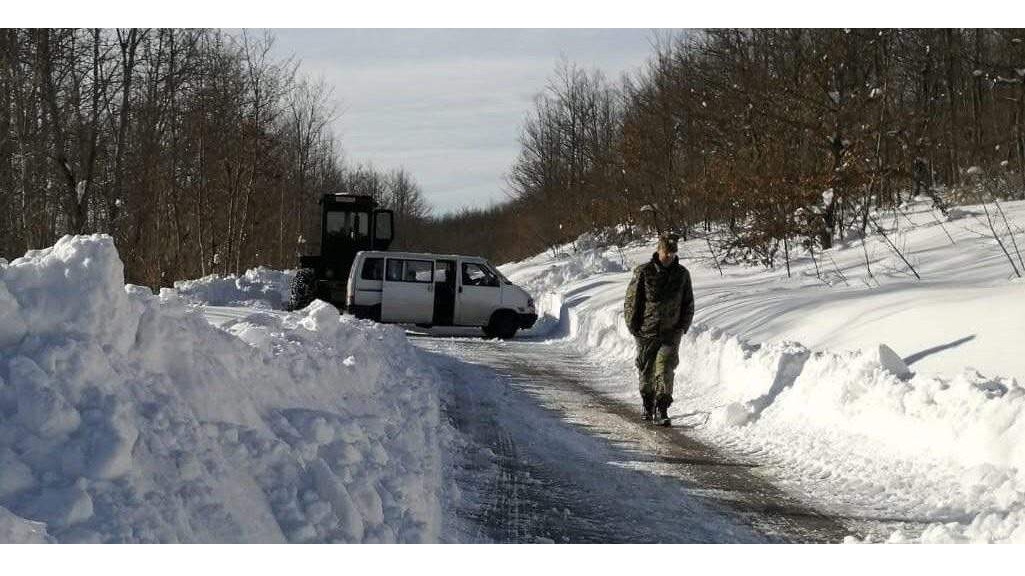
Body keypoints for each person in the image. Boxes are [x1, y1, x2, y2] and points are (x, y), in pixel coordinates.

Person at [623, 233, 695, 426]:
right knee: (646, 370)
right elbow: (632, 301)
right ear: (658, 250)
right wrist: (633, 326)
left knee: (665, 369)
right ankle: (647, 404)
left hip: (671, 332)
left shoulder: (682, 274)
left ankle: (662, 409)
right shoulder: (644, 272)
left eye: (672, 253)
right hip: (646, 331)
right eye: (666, 252)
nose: (669, 256)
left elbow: (688, 303)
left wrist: (682, 326)